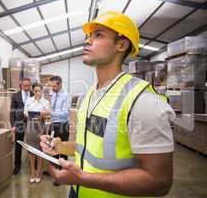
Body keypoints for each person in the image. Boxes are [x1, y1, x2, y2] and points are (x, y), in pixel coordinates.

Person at [40, 11, 175, 198]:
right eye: (89, 36)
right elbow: (88, 144)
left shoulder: (142, 100)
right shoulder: (87, 97)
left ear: (121, 44)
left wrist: (84, 179)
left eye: (98, 35)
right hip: (77, 192)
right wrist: (60, 147)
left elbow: (159, 181)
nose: (87, 41)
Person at [41, 75, 71, 186]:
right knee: (52, 148)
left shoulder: (66, 96)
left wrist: (50, 113)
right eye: (51, 86)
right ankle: (53, 170)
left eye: (54, 86)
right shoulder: (53, 94)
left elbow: (65, 114)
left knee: (62, 150)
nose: (52, 88)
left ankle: (62, 175)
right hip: (54, 125)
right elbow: (52, 109)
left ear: (60, 84)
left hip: (63, 126)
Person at [24, 83, 50, 183]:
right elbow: (25, 112)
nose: (38, 93)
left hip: (40, 126)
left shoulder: (45, 102)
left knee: (40, 150)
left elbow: (48, 113)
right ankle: (32, 173)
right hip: (30, 126)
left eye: (39, 91)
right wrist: (28, 115)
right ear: (33, 90)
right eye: (36, 91)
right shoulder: (29, 100)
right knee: (31, 151)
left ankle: (39, 172)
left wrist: (42, 115)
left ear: (42, 91)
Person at [10, 77, 33, 175]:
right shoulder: (16, 96)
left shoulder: (33, 94)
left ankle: (33, 164)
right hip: (19, 123)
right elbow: (12, 111)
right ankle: (17, 166)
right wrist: (12, 125)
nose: (27, 88)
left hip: (32, 123)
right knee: (18, 145)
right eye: (25, 86)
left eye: (28, 86)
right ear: (21, 85)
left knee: (32, 144)